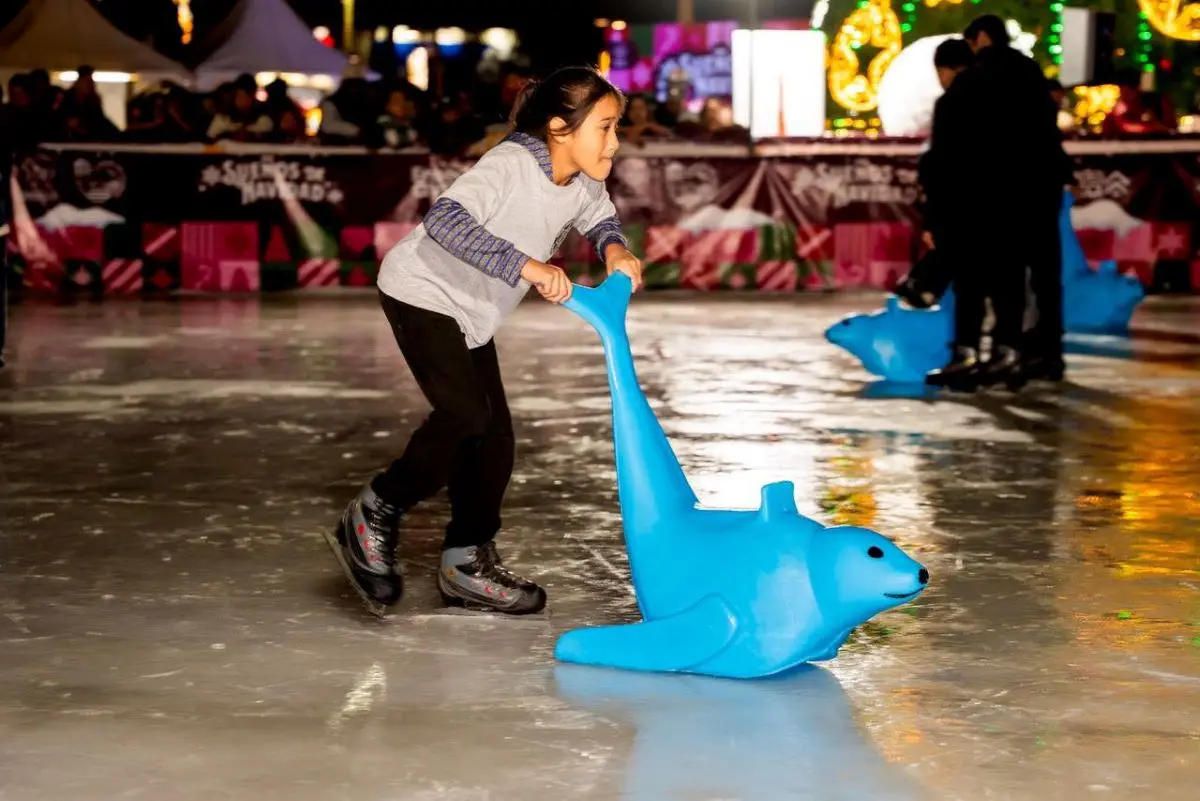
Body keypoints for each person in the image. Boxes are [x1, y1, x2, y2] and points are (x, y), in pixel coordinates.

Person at [330, 66, 643, 616]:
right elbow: (446, 221)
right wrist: (526, 266)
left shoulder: (583, 180)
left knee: (495, 441)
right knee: (464, 418)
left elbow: (599, 218)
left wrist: (614, 250)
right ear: (559, 129)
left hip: (474, 313)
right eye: (606, 127)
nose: (615, 143)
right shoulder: (510, 164)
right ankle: (375, 510)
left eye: (617, 128)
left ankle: (465, 560)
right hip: (422, 291)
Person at [929, 15, 1070, 390]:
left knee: (978, 277)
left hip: (992, 196)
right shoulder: (1030, 74)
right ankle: (1038, 353)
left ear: (981, 39)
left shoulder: (973, 83)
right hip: (1040, 191)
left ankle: (971, 356)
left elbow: (949, 153)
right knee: (1040, 278)